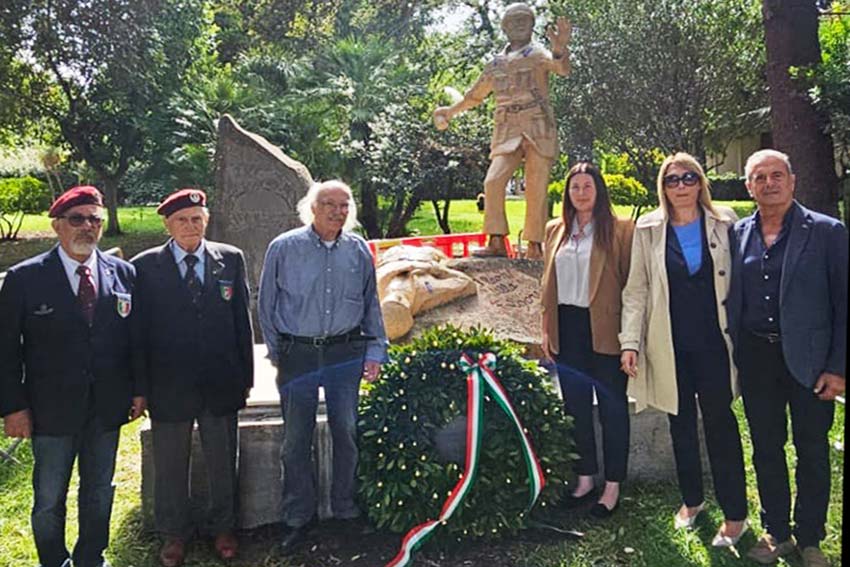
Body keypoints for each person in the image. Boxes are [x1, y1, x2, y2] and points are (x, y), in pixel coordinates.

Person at [0, 186, 145, 567]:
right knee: (49, 497)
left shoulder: (124, 274)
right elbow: (6, 351)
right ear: (57, 226)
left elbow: (136, 340)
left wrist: (139, 390)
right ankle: (54, 561)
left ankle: (90, 557)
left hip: (107, 406)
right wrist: (13, 407)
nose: (87, 227)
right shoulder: (24, 278)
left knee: (100, 490)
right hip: (50, 410)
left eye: (94, 219)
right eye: (76, 219)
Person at [620, 152, 748, 547]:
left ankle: (735, 515)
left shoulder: (725, 222)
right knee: (680, 424)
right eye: (672, 180)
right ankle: (692, 501)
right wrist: (630, 342)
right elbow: (636, 290)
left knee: (720, 424)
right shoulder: (648, 228)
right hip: (669, 342)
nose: (680, 186)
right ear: (663, 187)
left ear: (700, 183)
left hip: (714, 342)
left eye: (688, 177)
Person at [727, 150, 846, 567]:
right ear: (749, 187)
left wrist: (838, 367)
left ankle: (810, 537)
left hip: (812, 361)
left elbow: (844, 303)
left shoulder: (828, 232)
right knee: (766, 447)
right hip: (758, 357)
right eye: (760, 177)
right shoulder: (737, 233)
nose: (769, 183)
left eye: (777, 175)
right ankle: (776, 530)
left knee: (811, 449)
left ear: (792, 181)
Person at [258, 180, 388, 552]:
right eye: (329, 204)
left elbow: (370, 305)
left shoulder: (359, 250)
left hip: (344, 353)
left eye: (344, 205)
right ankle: (298, 518)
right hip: (298, 354)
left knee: (346, 431)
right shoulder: (284, 247)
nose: (337, 211)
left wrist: (375, 351)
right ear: (311, 208)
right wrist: (278, 352)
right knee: (296, 439)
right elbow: (266, 305)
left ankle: (345, 511)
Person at [131, 189, 253, 567]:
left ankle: (223, 527)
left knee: (222, 459)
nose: (190, 226)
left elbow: (241, 323)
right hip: (168, 385)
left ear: (207, 220)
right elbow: (136, 334)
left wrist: (244, 378)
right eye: (182, 219)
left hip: (219, 382)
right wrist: (140, 387)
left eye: (197, 218)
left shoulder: (230, 259)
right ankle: (173, 534)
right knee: (170, 464)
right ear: (167, 224)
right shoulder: (144, 266)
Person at [433, 2, 571, 259]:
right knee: (493, 181)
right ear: (505, 28)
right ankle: (496, 240)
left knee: (536, 186)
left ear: (532, 26)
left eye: (524, 20)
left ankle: (534, 246)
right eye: (513, 21)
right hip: (507, 128)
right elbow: (474, 96)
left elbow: (561, 69)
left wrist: (560, 49)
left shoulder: (538, 54)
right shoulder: (495, 63)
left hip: (537, 126)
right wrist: (449, 112)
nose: (519, 25)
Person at [541, 162, 634, 518]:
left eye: (587, 186)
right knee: (575, 407)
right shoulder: (555, 230)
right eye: (574, 187)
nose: (581, 192)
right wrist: (547, 327)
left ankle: (612, 485)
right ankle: (584, 477)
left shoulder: (621, 229)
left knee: (612, 409)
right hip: (568, 327)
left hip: (606, 329)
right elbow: (546, 287)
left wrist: (631, 339)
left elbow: (632, 284)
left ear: (599, 190)